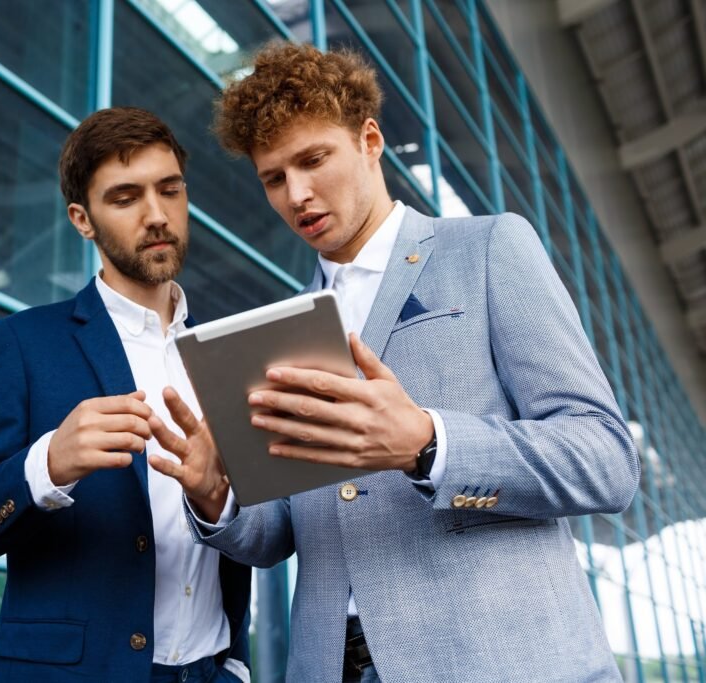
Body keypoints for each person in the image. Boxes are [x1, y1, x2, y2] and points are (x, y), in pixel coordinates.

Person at [147, 43, 639, 682]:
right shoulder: (283, 330)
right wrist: (218, 499)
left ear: (370, 140)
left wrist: (428, 444)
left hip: (495, 662)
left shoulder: (489, 248)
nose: (297, 194)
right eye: (274, 177)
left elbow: (604, 461)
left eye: (313, 159)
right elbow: (284, 534)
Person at [0, 106, 251, 683]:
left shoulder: (229, 350)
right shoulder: (24, 343)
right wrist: (45, 465)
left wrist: (216, 501)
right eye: (126, 198)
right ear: (83, 219)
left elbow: (258, 527)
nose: (157, 215)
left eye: (170, 190)